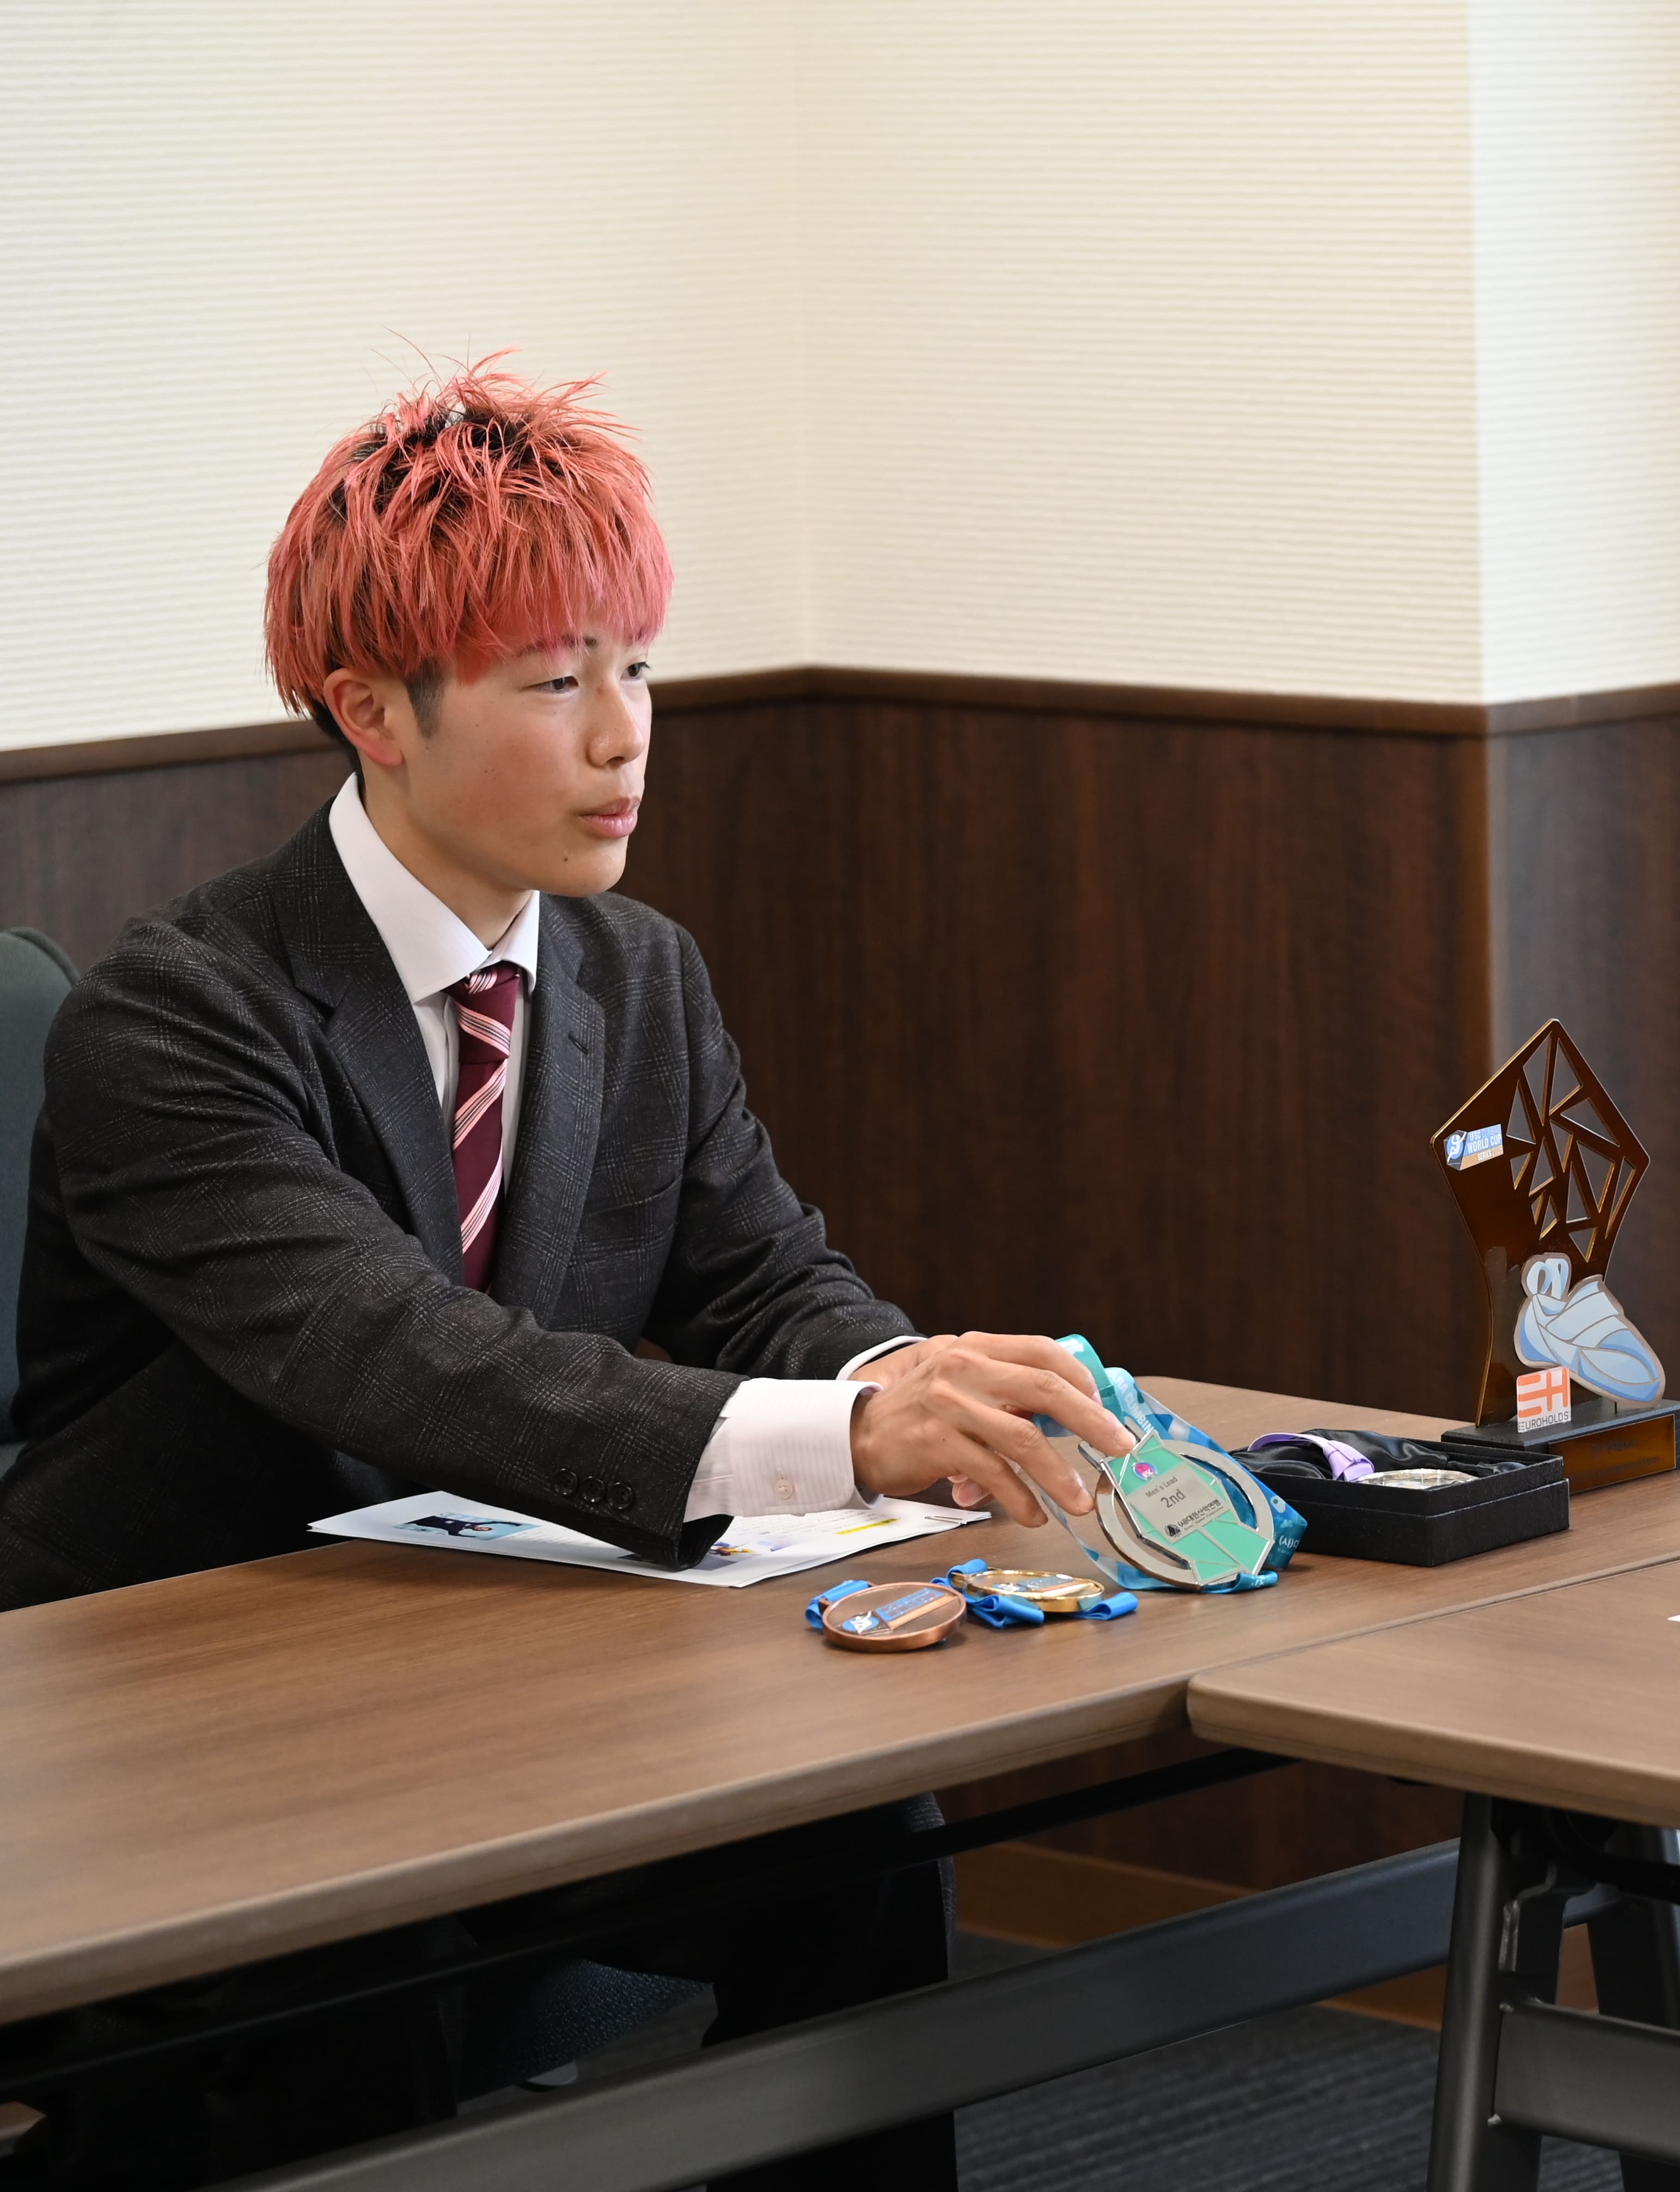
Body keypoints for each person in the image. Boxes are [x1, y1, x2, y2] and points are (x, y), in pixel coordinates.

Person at [0, 366, 1138, 2190]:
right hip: (179, 1708)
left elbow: (765, 1278)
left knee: (862, 1843)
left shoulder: (635, 975)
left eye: (639, 669)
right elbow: (395, 1356)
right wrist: (846, 1439)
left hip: (487, 1662)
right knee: (345, 1984)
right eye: (553, 684)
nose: (626, 738)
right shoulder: (174, 1015)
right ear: (372, 711)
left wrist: (915, 1388)